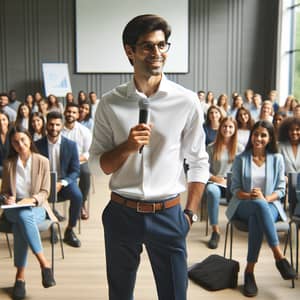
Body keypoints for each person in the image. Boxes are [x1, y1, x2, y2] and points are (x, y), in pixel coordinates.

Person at [88, 14, 209, 300]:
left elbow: (199, 162)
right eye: (147, 46)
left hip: (169, 214)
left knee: (175, 295)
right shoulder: (109, 103)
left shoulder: (186, 101)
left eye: (162, 45)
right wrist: (128, 147)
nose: (157, 54)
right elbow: (96, 166)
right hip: (121, 214)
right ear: (129, 51)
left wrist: (189, 213)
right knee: (119, 295)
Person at [226, 120, 296, 297]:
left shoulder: (277, 159)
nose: (258, 138)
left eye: (263, 135)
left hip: (270, 205)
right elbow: (234, 189)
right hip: (243, 204)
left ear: (270, 138)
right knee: (257, 206)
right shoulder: (241, 159)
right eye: (256, 134)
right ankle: (279, 256)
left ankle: (249, 272)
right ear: (251, 136)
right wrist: (251, 196)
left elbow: (281, 190)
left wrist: (264, 198)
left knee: (258, 213)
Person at [0, 126, 56, 299]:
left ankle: (20, 277)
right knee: (22, 216)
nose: (20, 144)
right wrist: (7, 198)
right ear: (12, 144)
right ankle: (45, 264)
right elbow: (4, 192)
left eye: (23, 140)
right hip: (13, 209)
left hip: (37, 207)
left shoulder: (42, 161)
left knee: (22, 223)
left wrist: (31, 200)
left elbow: (46, 191)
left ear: (30, 140)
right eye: (16, 142)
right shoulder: (9, 163)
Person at [35, 111, 82, 247]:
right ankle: (51, 226)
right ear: (46, 125)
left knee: (78, 196)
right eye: (51, 125)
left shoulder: (71, 145)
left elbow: (75, 171)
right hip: (44, 184)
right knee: (38, 197)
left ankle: (70, 230)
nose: (54, 128)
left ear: (62, 126)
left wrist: (62, 182)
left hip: (64, 183)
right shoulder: (37, 145)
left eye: (57, 125)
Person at [205, 117, 243, 249]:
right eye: (225, 126)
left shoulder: (240, 148)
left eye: (230, 127)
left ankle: (239, 224)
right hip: (216, 183)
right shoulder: (211, 147)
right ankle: (215, 231)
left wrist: (231, 181)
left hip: (233, 185)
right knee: (211, 191)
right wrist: (216, 179)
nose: (227, 129)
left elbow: (243, 171)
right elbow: (204, 170)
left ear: (235, 129)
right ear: (220, 128)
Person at [62, 103, 92, 220]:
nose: (70, 114)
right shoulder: (58, 129)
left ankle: (81, 204)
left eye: (74, 112)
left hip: (79, 163)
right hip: (61, 164)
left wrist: (74, 160)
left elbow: (88, 153)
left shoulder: (84, 131)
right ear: (64, 113)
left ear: (78, 115)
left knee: (86, 172)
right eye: (68, 111)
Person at [0, 110, 11, 176]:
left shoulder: (14, 134)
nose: (1, 122)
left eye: (4, 119)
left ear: (8, 121)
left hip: (13, 169)